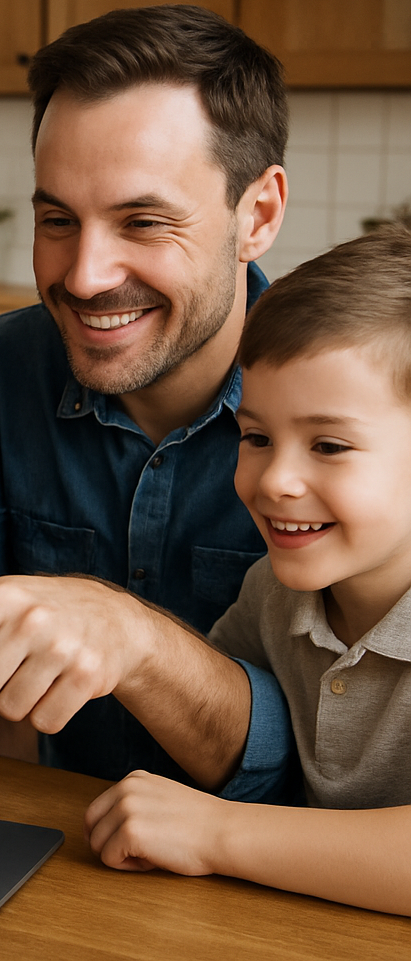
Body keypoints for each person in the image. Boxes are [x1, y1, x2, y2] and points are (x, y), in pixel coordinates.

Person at [0, 4, 293, 794]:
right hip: (60, 847)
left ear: (258, 214)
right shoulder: (0, 368)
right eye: (58, 219)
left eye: (143, 221)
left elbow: (317, 756)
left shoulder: (357, 415)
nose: (85, 274)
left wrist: (135, 637)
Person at [82, 228, 411, 916]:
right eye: (256, 437)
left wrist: (216, 835)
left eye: (329, 445)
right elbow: (231, 748)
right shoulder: (273, 591)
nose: (276, 481)